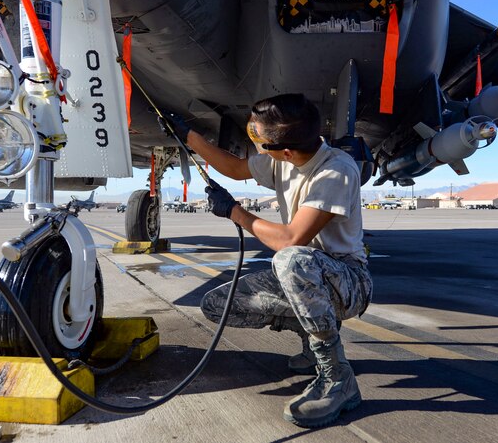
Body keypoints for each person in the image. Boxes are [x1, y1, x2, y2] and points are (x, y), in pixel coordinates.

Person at [158, 94, 373, 428]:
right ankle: (312, 338)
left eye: (258, 138)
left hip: (348, 280)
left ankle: (337, 378)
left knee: (290, 260)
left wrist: (234, 212)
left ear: (285, 152)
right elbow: (234, 167)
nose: (253, 141)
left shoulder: (336, 172)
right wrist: (188, 136)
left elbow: (290, 240)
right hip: (306, 277)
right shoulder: (284, 158)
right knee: (217, 304)